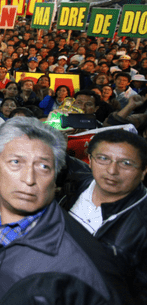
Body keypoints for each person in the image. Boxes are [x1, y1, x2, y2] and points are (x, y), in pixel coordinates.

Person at [0, 117, 128, 305]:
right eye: (15, 162)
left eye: (43, 166)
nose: (29, 178)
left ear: (55, 176)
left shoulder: (82, 260)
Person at [60, 129, 147, 303]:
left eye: (126, 163)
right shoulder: (72, 186)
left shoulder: (142, 219)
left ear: (144, 171)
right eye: (103, 159)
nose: (112, 170)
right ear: (90, 160)